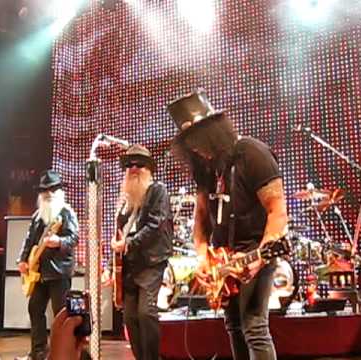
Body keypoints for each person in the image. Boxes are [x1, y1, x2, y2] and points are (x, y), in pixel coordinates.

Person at [167, 89, 288, 360]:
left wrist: (259, 258)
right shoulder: (205, 168)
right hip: (223, 259)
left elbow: (278, 212)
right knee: (233, 326)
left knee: (254, 325)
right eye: (189, 144)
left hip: (257, 250)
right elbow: (201, 220)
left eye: (197, 141)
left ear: (212, 132)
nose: (195, 149)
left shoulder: (253, 153)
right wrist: (202, 257)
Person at [111, 144, 173, 360]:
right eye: (129, 165)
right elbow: (121, 232)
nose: (133, 168)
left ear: (148, 168)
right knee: (129, 318)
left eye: (139, 164)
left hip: (151, 261)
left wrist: (129, 243)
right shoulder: (126, 201)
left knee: (146, 313)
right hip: (130, 265)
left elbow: (156, 224)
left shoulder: (157, 190)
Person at [16, 170, 79, 360]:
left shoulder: (66, 213)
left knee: (61, 316)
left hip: (59, 273)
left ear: (59, 191)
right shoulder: (37, 216)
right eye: (45, 190)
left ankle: (63, 353)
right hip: (39, 273)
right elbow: (29, 241)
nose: (49, 193)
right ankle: (38, 352)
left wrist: (58, 242)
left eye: (52, 189)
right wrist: (22, 260)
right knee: (35, 309)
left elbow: (73, 238)